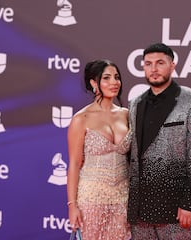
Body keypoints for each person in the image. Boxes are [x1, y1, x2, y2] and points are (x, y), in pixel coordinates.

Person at [127, 43, 191, 240]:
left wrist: (190, 203)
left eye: (160, 63)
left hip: (175, 207)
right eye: (148, 64)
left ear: (172, 66)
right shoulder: (135, 103)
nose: (154, 69)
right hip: (139, 209)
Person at [67, 59, 131, 240]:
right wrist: (73, 206)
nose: (114, 82)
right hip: (91, 198)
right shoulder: (82, 118)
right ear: (94, 83)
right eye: (107, 78)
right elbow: (74, 164)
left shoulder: (127, 115)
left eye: (117, 77)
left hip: (122, 198)